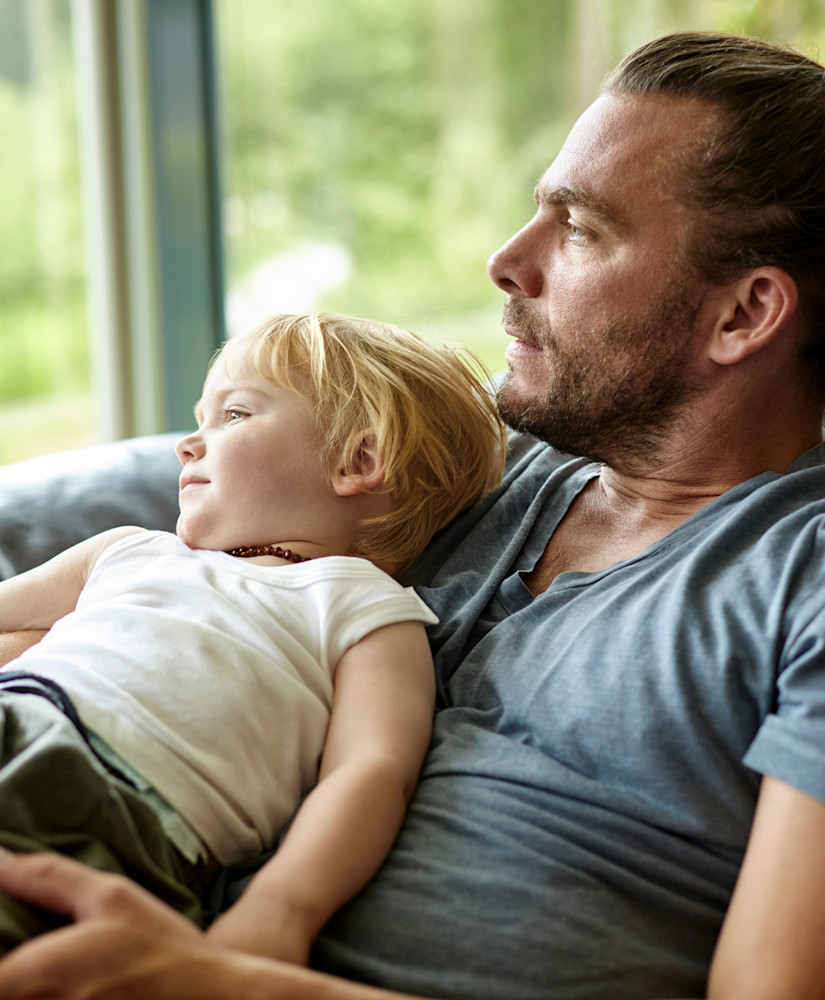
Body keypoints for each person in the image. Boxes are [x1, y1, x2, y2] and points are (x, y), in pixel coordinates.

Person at [0, 26, 825, 1000]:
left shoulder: (797, 584)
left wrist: (234, 982)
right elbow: (188, 531)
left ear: (744, 315)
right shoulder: (484, 459)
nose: (504, 262)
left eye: (579, 228)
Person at [0, 313, 506, 961]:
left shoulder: (366, 611)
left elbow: (368, 772)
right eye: (199, 419)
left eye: (233, 415)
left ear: (359, 460)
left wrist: (279, 911)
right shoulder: (127, 550)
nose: (188, 443)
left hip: (116, 816)